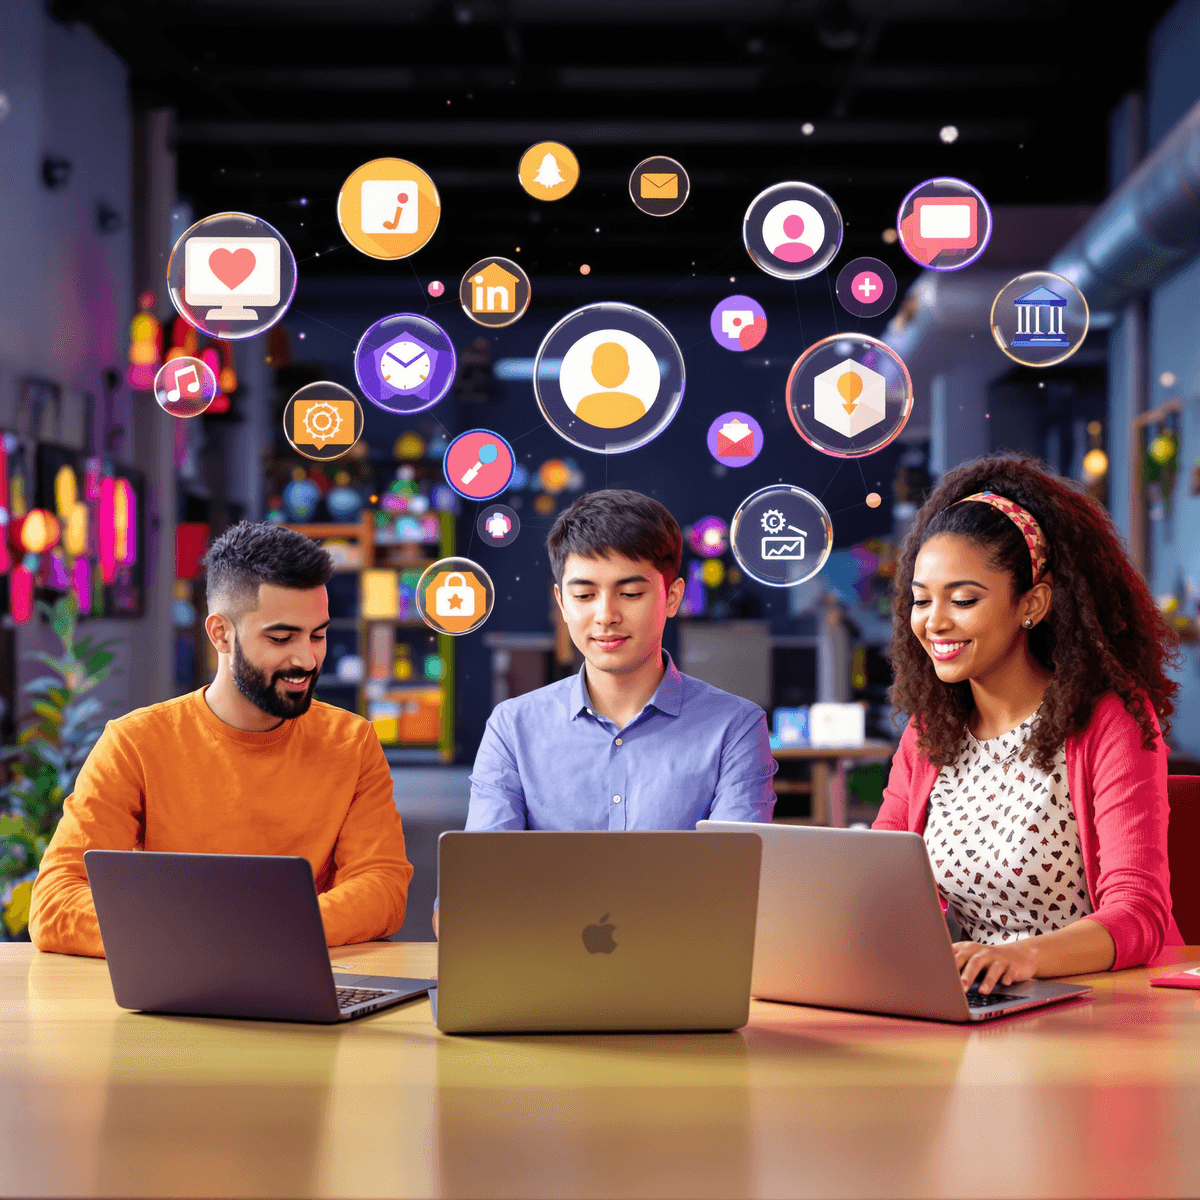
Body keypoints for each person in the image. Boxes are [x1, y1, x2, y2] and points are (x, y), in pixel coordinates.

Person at [29, 522, 413, 957]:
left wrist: (255, 933)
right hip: (176, 988)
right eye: (281, 637)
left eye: (318, 635)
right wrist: (204, 936)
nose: (306, 659)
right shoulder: (135, 743)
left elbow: (382, 887)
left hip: (300, 979)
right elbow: (55, 902)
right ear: (220, 634)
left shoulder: (352, 741)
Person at [875, 453, 1183, 994]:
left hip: (1100, 1009)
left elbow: (1139, 915)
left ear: (1032, 603)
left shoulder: (1109, 721)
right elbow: (876, 879)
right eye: (921, 601)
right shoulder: (930, 733)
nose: (934, 622)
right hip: (978, 1001)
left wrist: (1019, 957)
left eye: (964, 599)